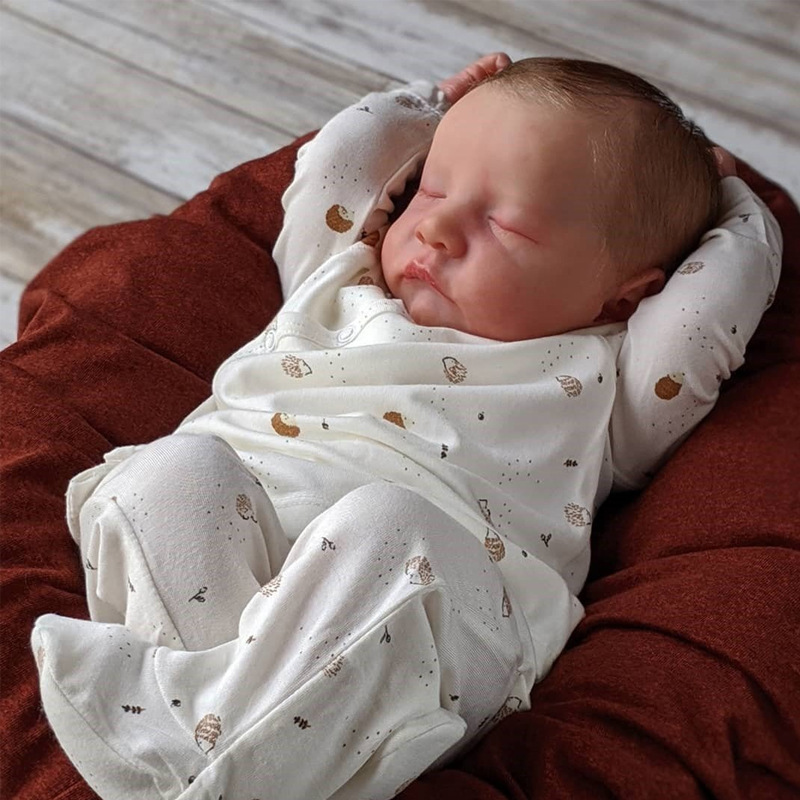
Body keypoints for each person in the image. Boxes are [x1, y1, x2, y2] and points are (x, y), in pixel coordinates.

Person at [32, 55, 782, 800]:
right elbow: (333, 165)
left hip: (429, 623)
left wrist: (736, 201)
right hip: (238, 569)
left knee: (386, 521)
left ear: (624, 296)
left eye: (505, 224)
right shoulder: (339, 275)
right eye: (430, 187)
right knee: (172, 471)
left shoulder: (607, 377)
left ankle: (195, 762)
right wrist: (428, 105)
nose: (439, 230)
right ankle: (238, 746)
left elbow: (710, 310)